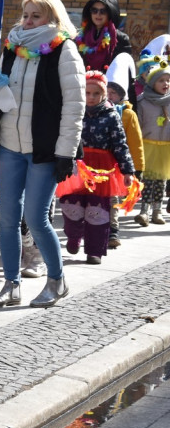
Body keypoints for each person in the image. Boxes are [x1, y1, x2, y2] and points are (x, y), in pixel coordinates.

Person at [0, 0, 85, 309]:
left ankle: (57, 279)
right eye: (25, 15)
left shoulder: (64, 51)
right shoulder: (12, 47)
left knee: (36, 218)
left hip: (45, 150)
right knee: (8, 218)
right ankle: (11, 284)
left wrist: (65, 152)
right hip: (10, 144)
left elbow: (74, 107)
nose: (27, 21)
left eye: (35, 16)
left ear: (53, 19)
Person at [55, 71, 134, 265]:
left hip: (101, 170)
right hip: (76, 167)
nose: (90, 97)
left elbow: (120, 144)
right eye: (87, 93)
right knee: (71, 204)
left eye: (96, 94)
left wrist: (127, 170)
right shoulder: (73, 112)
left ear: (104, 94)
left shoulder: (111, 115)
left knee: (98, 209)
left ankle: (95, 250)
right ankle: (74, 236)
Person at [105, 52, 144, 247]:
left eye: (114, 92)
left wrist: (136, 168)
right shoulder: (96, 111)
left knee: (113, 198)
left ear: (122, 95)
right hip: (97, 164)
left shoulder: (128, 114)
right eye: (108, 91)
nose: (110, 96)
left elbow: (135, 143)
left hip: (117, 165)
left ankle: (113, 231)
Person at [134, 39, 170, 226]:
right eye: (161, 80)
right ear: (153, 82)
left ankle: (158, 210)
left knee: (161, 180)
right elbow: (138, 124)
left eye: (168, 80)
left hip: (165, 146)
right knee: (147, 180)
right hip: (147, 145)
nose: (165, 84)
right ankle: (144, 210)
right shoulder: (143, 101)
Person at [76, 0, 132, 73]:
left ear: (110, 14)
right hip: (83, 83)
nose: (98, 14)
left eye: (103, 11)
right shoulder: (80, 36)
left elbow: (125, 69)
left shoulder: (121, 38)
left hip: (108, 84)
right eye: (94, 10)